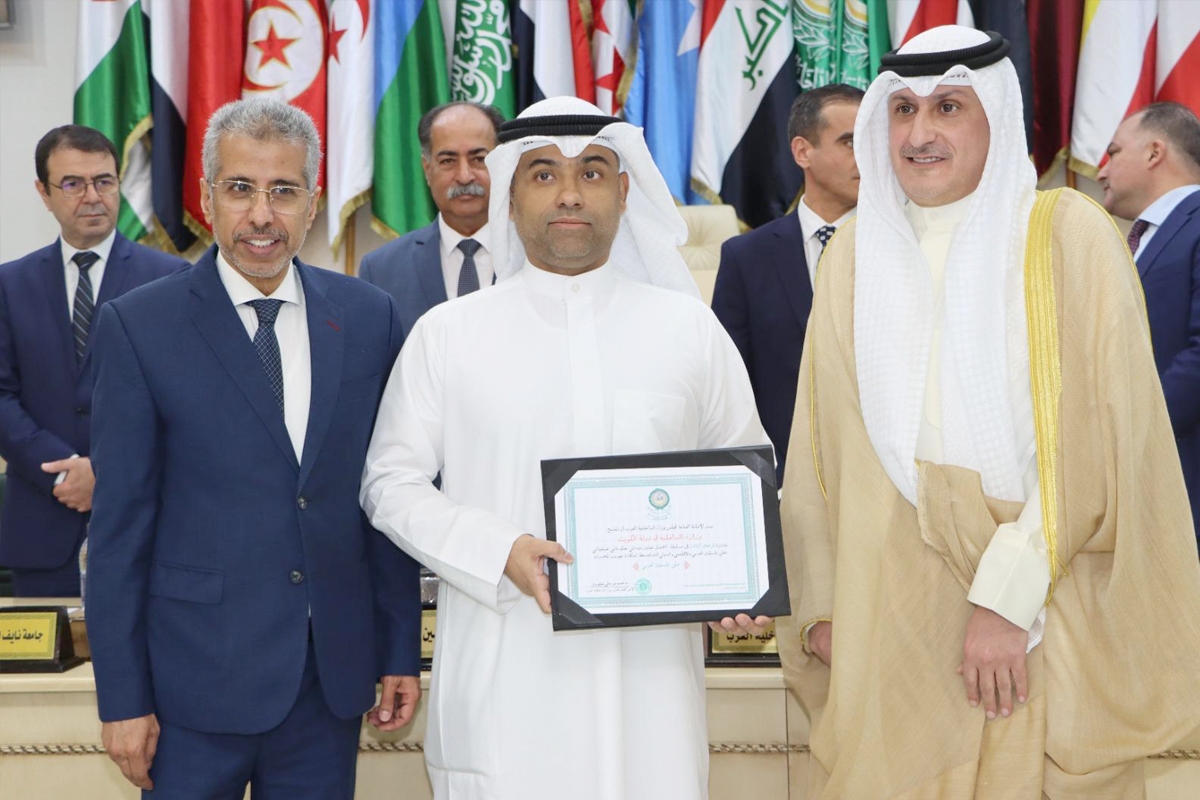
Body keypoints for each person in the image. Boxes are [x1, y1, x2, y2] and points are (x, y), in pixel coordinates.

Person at [776, 26, 1200, 798]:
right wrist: (825, 610)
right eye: (902, 110)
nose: (920, 133)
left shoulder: (1068, 234)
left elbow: (1101, 443)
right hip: (895, 612)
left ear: (997, 119)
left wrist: (1007, 600)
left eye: (948, 106)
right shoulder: (853, 255)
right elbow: (819, 451)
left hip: (1050, 600)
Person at [361, 97, 770, 800]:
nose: (571, 194)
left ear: (625, 191)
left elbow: (746, 480)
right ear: (510, 194)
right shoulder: (448, 334)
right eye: (544, 174)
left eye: (593, 172)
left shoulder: (689, 330)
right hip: (507, 671)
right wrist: (502, 550)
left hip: (652, 690)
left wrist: (736, 585)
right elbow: (389, 484)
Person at [86, 97, 422, 798]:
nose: (262, 214)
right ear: (207, 197)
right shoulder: (139, 326)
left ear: (313, 202)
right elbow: (119, 532)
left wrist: (399, 649)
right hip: (188, 691)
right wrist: (122, 699)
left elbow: (383, 499)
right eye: (240, 188)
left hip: (326, 688)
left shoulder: (369, 317)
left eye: (284, 190)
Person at [0, 125, 184, 597]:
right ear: (43, 193)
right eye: (73, 183)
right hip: (42, 529)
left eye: (104, 181)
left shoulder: (172, 281)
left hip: (147, 530)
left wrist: (106, 472)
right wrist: (64, 472)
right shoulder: (9, 284)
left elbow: (184, 401)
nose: (92, 196)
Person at [711, 84, 863, 484]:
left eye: (873, 140)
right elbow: (729, 389)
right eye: (850, 142)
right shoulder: (746, 257)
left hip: (885, 484)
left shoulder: (906, 247)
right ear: (802, 152)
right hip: (784, 483)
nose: (867, 155)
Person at [1098, 102, 1200, 550]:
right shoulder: (1142, 240)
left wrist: (1121, 435)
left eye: (1113, 152)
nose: (1100, 171)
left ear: (1155, 152)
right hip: (1150, 498)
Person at [359, 102, 504, 338]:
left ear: (501, 164)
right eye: (448, 161)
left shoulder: (536, 255)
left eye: (479, 159)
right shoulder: (381, 270)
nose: (464, 176)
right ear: (427, 170)